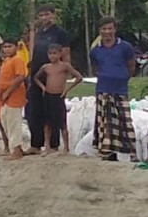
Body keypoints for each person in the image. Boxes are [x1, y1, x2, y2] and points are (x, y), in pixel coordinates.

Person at [90, 17, 136, 161]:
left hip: (120, 90)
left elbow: (131, 67)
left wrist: (121, 78)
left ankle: (132, 153)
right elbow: (95, 68)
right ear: (100, 31)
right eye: (104, 29)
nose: (107, 32)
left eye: (110, 28)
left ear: (115, 29)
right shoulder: (95, 50)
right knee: (105, 123)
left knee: (124, 122)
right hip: (103, 89)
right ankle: (108, 153)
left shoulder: (125, 47)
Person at [27, 4, 71, 154]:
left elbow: (65, 55)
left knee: (52, 110)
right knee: (35, 109)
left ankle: (53, 145)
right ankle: (36, 144)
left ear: (53, 15)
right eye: (41, 15)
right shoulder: (39, 32)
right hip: (37, 75)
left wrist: (64, 78)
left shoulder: (60, 33)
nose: (44, 18)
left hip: (53, 76)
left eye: (47, 14)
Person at [35, 43, 83, 155]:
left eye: (54, 53)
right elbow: (36, 78)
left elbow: (79, 77)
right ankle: (47, 146)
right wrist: (43, 88)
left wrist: (66, 89)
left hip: (59, 96)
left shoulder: (65, 66)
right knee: (47, 123)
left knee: (62, 123)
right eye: (50, 53)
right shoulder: (45, 67)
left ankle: (66, 148)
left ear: (60, 54)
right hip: (48, 95)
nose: (52, 56)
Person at [0, 41, 28, 161]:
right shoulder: (6, 61)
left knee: (13, 123)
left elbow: (20, 77)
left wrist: (7, 92)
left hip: (14, 96)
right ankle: (17, 148)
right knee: (5, 121)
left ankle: (16, 151)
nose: (7, 49)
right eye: (5, 47)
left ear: (16, 47)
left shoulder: (17, 59)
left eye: (10, 46)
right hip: (5, 97)